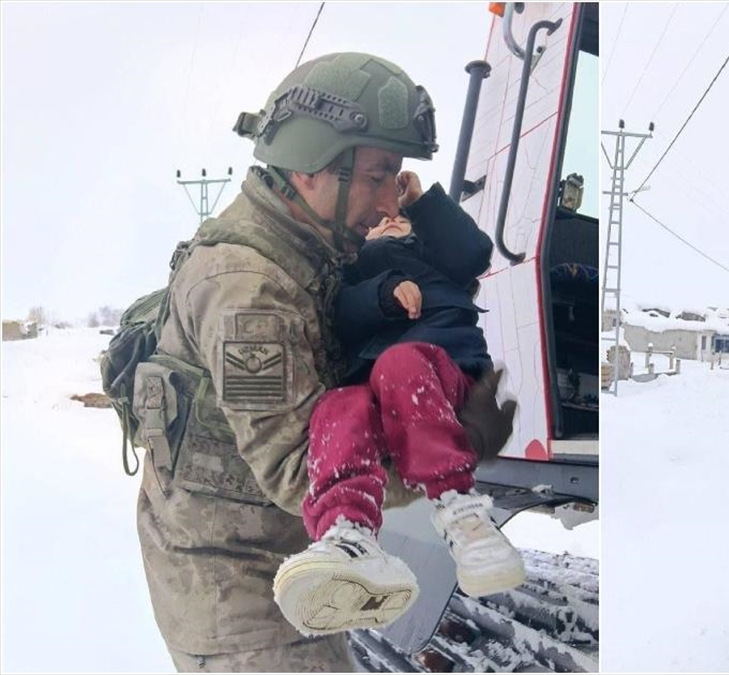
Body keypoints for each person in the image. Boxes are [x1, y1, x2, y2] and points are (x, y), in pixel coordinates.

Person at [133, 52, 512, 672]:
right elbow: (294, 470)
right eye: (377, 176)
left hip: (290, 565)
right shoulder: (246, 288)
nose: (392, 197)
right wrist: (448, 447)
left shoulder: (315, 246)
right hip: (240, 597)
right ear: (311, 170)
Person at [272, 172, 523, 636]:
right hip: (376, 392)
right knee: (338, 406)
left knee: (399, 364)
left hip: (440, 375)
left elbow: (470, 251)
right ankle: (348, 533)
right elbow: (339, 313)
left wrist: (423, 202)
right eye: (377, 226)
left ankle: (461, 511)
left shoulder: (439, 261)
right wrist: (383, 294)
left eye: (398, 222)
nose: (387, 225)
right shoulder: (354, 273)